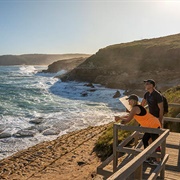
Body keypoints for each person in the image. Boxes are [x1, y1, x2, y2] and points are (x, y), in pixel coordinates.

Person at [115, 94, 161, 165]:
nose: (128, 102)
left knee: (155, 143)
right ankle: (148, 157)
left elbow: (128, 119)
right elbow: (129, 115)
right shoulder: (136, 108)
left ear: (133, 101)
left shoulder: (135, 108)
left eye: (129, 100)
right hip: (150, 125)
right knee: (145, 140)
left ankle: (158, 161)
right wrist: (120, 118)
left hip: (153, 125)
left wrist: (121, 120)